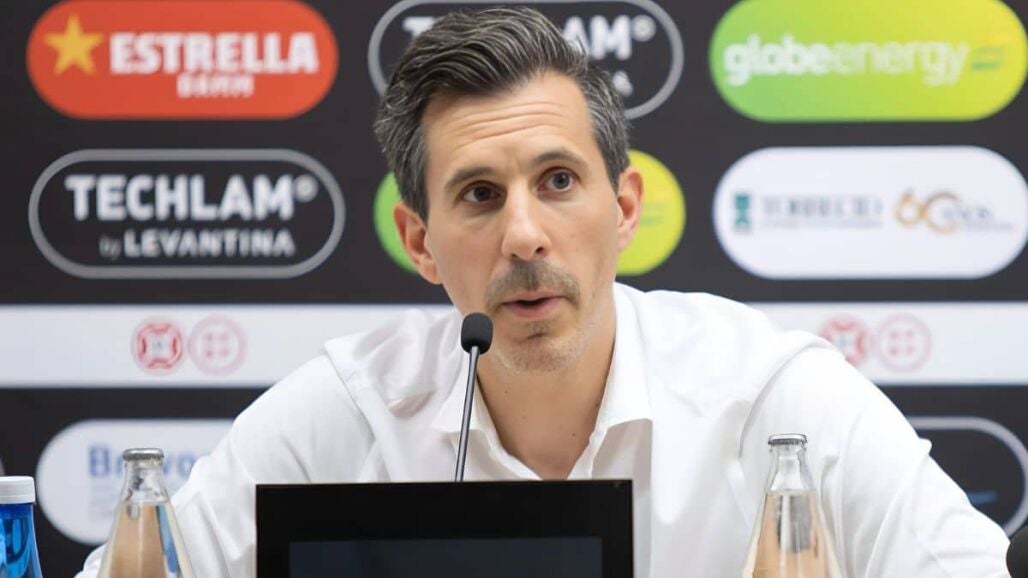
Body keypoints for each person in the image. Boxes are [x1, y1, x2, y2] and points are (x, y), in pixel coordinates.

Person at [78, 7, 1010, 577]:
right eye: (480, 196)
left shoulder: (776, 400)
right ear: (420, 243)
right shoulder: (346, 414)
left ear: (625, 208)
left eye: (558, 181)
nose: (524, 235)